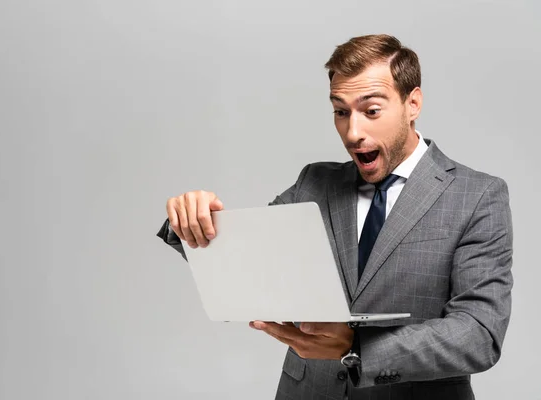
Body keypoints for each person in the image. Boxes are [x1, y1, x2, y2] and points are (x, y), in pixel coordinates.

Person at [156, 34, 513, 400]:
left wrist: (356, 347)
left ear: (413, 103)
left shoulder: (478, 196)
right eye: (341, 112)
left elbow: (478, 335)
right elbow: (249, 267)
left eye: (371, 111)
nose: (353, 132)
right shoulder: (315, 182)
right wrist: (194, 223)